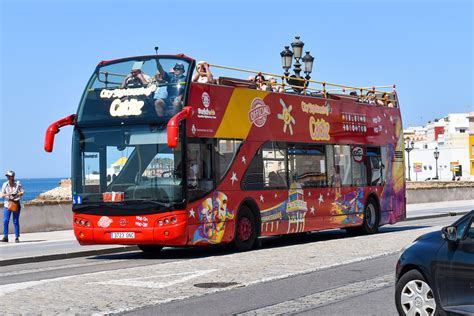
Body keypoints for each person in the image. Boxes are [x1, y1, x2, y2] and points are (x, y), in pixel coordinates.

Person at [1, 171, 24, 243]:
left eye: (9, 176)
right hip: (7, 204)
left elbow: (22, 192)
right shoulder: (5, 184)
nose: (7, 177)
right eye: (7, 176)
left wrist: (17, 193)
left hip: (16, 203)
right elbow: (1, 195)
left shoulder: (17, 184)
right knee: (5, 220)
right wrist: (10, 193)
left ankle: (17, 237)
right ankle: (5, 237)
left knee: (15, 221)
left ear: (12, 176)